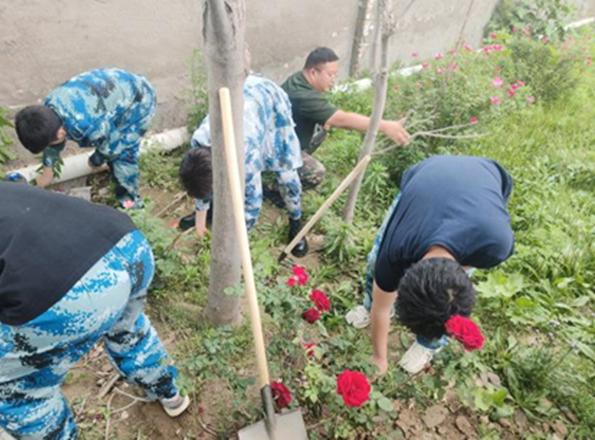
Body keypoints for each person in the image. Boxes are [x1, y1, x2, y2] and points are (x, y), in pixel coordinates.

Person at [0, 182, 189, 440]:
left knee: (13, 388)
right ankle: (170, 392)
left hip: (70, 291)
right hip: (128, 246)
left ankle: (46, 430)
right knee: (128, 330)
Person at [345, 155, 515, 374]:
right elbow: (383, 304)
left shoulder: (495, 245)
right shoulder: (395, 251)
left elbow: (451, 287)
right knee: (374, 265)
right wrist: (379, 358)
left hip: (488, 176)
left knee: (445, 304)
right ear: (404, 277)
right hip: (426, 174)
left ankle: (429, 345)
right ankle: (366, 307)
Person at [178, 74, 308, 257]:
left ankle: (296, 223)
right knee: (206, 183)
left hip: (269, 101)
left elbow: (252, 203)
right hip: (243, 103)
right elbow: (198, 178)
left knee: (286, 178)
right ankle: (210, 212)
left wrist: (235, 246)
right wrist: (200, 221)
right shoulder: (199, 141)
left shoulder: (244, 153)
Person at [14, 68, 156, 208]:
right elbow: (53, 142)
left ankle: (133, 206)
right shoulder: (48, 111)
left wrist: (96, 160)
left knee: (123, 156)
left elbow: (112, 146)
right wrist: (47, 170)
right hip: (116, 88)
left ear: (61, 133)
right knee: (111, 148)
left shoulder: (88, 128)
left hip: (138, 101)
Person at [281, 47, 411, 187]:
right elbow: (341, 119)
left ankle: (295, 161)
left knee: (322, 127)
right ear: (313, 72)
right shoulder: (302, 95)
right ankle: (274, 185)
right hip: (277, 147)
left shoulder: (300, 79)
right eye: (330, 75)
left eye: (335, 75)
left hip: (284, 136)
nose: (333, 80)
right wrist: (385, 126)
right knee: (316, 172)